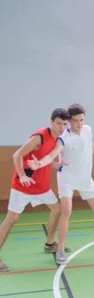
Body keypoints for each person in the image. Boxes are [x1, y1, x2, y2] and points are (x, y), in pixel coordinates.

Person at [27, 103, 94, 265]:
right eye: (76, 121)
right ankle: (61, 249)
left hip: (85, 178)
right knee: (67, 210)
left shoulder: (87, 130)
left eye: (81, 120)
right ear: (69, 121)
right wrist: (39, 164)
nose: (79, 124)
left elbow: (89, 144)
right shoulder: (64, 138)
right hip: (67, 178)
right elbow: (51, 156)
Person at [0, 108, 71, 273]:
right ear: (51, 122)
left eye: (64, 124)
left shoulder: (58, 139)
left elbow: (44, 157)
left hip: (41, 187)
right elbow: (17, 155)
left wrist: (53, 164)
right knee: (12, 219)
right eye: (58, 123)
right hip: (23, 186)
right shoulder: (39, 137)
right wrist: (22, 175)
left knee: (58, 208)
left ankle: (50, 243)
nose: (61, 127)